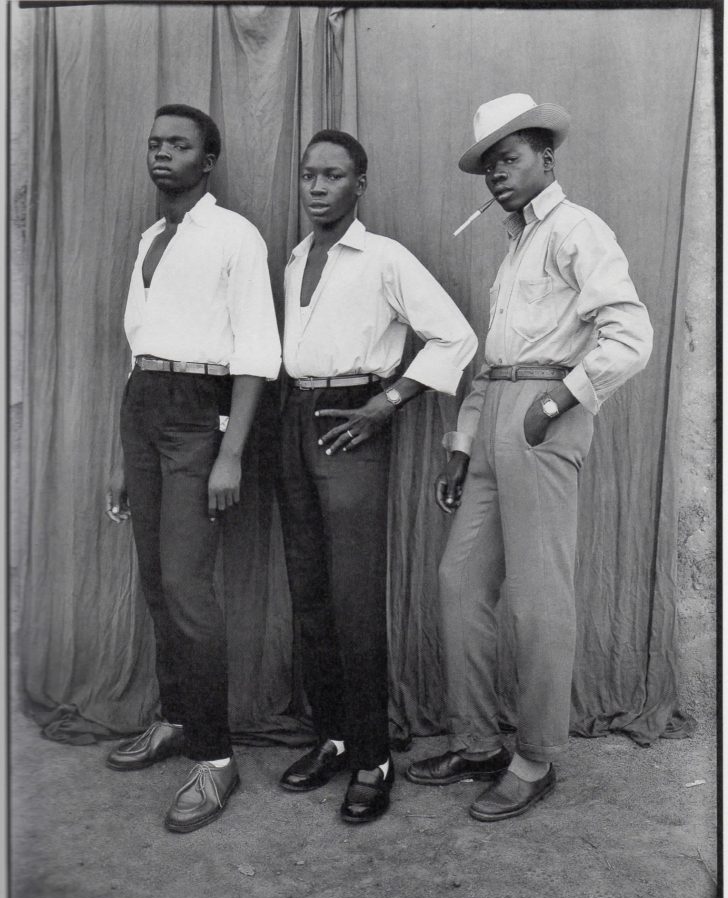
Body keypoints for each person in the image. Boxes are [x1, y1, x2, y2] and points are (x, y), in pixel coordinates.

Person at [406, 94, 653, 821]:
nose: (497, 175)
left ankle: (535, 757)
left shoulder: (577, 229)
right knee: (459, 580)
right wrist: (461, 445)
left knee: (540, 594)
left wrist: (557, 402)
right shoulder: (515, 247)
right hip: (495, 415)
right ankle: (477, 742)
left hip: (546, 415)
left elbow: (630, 337)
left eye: (509, 159)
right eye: (489, 166)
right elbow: (495, 362)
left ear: (547, 157)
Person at [277, 129, 478, 824]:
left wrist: (387, 402)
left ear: (359, 184)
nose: (317, 186)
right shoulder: (296, 258)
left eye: (333, 175)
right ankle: (334, 737)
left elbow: (456, 335)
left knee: (354, 597)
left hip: (352, 418)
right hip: (293, 416)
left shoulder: (384, 256)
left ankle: (373, 756)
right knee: (309, 593)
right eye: (309, 174)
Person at [105, 104, 281, 833]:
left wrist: (229, 452)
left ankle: (215, 757)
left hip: (199, 414)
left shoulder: (235, 235)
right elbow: (139, 348)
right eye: (155, 143)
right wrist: (125, 456)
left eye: (178, 145)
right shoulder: (151, 237)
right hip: (144, 405)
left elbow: (257, 352)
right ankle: (177, 718)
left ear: (207, 162)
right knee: (155, 580)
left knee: (186, 586)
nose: (162, 154)